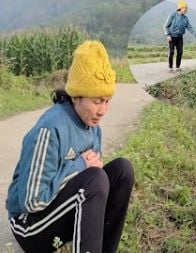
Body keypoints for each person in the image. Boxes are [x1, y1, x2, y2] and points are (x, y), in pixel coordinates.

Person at [5, 40, 134, 253]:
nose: (102, 110)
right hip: (29, 226)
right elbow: (31, 201)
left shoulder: (93, 128)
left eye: (107, 101)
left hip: (60, 209)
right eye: (96, 101)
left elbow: (90, 188)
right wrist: (79, 166)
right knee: (95, 178)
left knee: (122, 171)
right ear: (76, 96)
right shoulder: (50, 130)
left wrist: (87, 171)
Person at [164, 0, 196, 73]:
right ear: (181, 8)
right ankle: (170, 68)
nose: (186, 10)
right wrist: (168, 35)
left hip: (180, 37)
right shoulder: (172, 15)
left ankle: (177, 67)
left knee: (180, 51)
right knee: (171, 52)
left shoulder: (185, 18)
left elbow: (190, 28)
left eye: (186, 8)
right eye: (185, 8)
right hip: (171, 36)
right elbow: (166, 26)